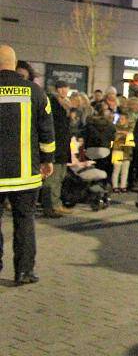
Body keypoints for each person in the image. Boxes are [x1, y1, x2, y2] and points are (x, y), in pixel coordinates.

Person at [0, 44, 55, 285]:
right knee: (24, 222)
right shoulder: (35, 92)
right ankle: (23, 271)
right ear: (14, 63)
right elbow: (47, 132)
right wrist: (48, 160)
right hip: (25, 175)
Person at [41, 81, 73, 217]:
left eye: (65, 87)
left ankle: (57, 204)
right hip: (55, 146)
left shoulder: (67, 104)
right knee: (52, 178)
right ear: (56, 89)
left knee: (60, 177)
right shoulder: (52, 103)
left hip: (64, 146)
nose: (63, 90)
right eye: (61, 88)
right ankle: (50, 207)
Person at [111, 113, 133, 193]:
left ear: (127, 120)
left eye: (123, 119)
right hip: (117, 150)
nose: (121, 120)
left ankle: (123, 186)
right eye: (120, 119)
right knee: (116, 169)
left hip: (127, 151)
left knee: (125, 170)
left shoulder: (130, 129)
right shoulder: (115, 128)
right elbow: (114, 138)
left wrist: (123, 134)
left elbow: (130, 139)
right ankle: (115, 186)